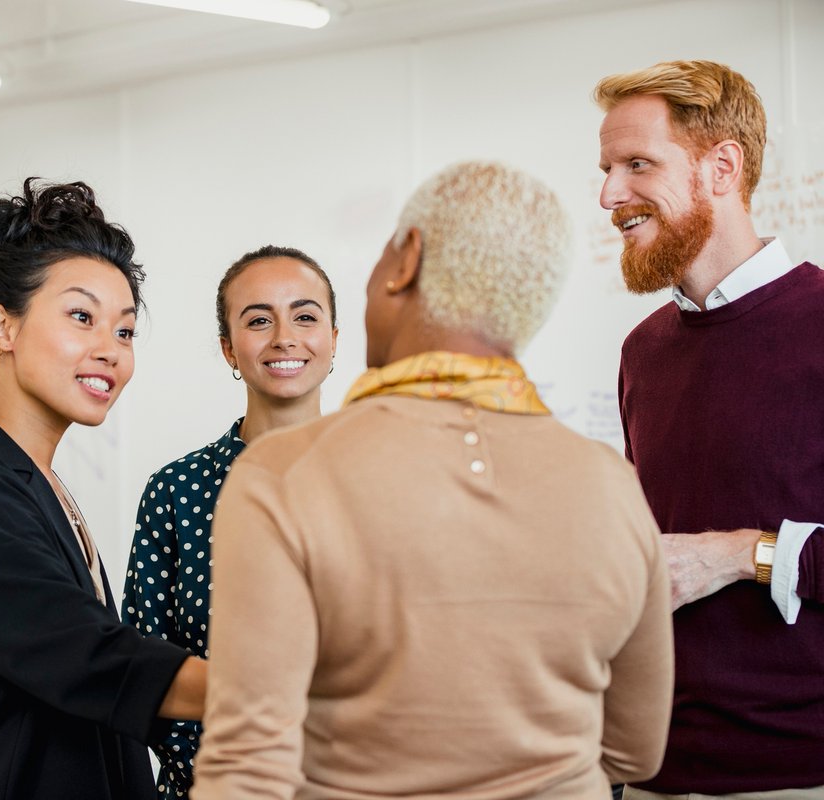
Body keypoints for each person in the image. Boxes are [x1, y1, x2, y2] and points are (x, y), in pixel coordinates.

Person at [191, 161, 674, 800]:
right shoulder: (611, 485)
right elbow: (634, 750)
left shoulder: (282, 475)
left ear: (406, 259)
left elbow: (246, 770)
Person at [0, 178, 206, 800]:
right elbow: (90, 658)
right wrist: (294, 691)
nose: (109, 351)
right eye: (80, 317)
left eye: (124, 332)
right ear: (3, 327)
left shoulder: (29, 478)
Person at [596, 60, 824, 798]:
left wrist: (742, 555)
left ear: (721, 167)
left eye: (637, 165)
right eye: (606, 169)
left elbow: (706, 558)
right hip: (650, 770)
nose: (609, 195)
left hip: (795, 773)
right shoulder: (643, 351)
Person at [123, 245, 338, 799]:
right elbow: (143, 666)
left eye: (306, 316)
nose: (285, 337)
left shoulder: (384, 480)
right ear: (229, 349)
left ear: (333, 340)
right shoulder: (176, 492)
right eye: (259, 320)